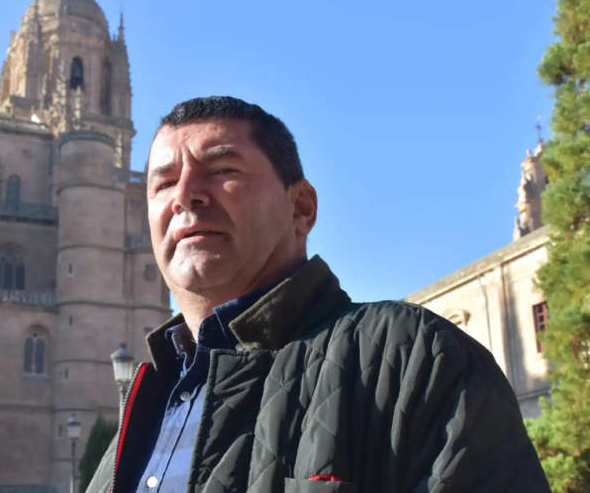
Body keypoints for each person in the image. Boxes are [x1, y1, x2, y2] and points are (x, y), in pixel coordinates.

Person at [86, 97, 550, 493]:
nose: (184, 196)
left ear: (301, 207)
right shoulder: (146, 403)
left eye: (222, 168)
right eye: (163, 182)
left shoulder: (413, 356)